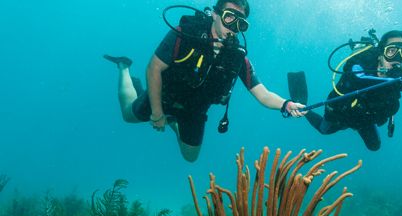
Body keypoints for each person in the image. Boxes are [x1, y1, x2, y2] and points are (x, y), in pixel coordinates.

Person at [104, 0, 305, 162]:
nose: (233, 28)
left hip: (194, 111)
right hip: (163, 97)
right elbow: (154, 68)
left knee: (190, 157)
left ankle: (174, 121)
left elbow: (263, 93)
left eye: (240, 24)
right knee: (127, 115)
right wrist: (157, 113)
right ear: (215, 15)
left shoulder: (237, 57)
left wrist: (285, 104)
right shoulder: (186, 33)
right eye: (229, 18)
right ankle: (124, 67)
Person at [303, 30, 402, 151]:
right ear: (380, 52)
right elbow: (359, 79)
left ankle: (358, 126)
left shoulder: (400, 75)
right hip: (341, 113)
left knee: (375, 147)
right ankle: (302, 106)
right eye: (391, 51)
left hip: (364, 119)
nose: (398, 58)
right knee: (324, 130)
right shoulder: (359, 65)